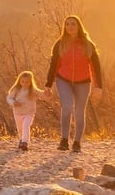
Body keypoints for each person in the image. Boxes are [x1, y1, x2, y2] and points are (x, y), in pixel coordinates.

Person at [44, 14, 104, 152]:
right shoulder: (60, 44)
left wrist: (98, 87)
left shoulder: (88, 45)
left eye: (73, 24)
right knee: (67, 107)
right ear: (65, 27)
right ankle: (64, 140)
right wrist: (48, 84)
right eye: (67, 24)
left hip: (83, 82)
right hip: (63, 79)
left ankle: (77, 142)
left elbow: (95, 67)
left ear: (79, 27)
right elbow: (53, 65)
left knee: (79, 112)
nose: (70, 27)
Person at [5, 70, 41, 151]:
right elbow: (9, 98)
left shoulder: (33, 90)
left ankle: (25, 142)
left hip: (29, 112)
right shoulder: (16, 90)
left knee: (26, 126)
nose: (25, 84)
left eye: (27, 82)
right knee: (20, 128)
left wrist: (47, 93)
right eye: (23, 82)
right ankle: (21, 139)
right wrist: (13, 103)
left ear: (31, 82)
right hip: (18, 113)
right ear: (19, 81)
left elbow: (42, 95)